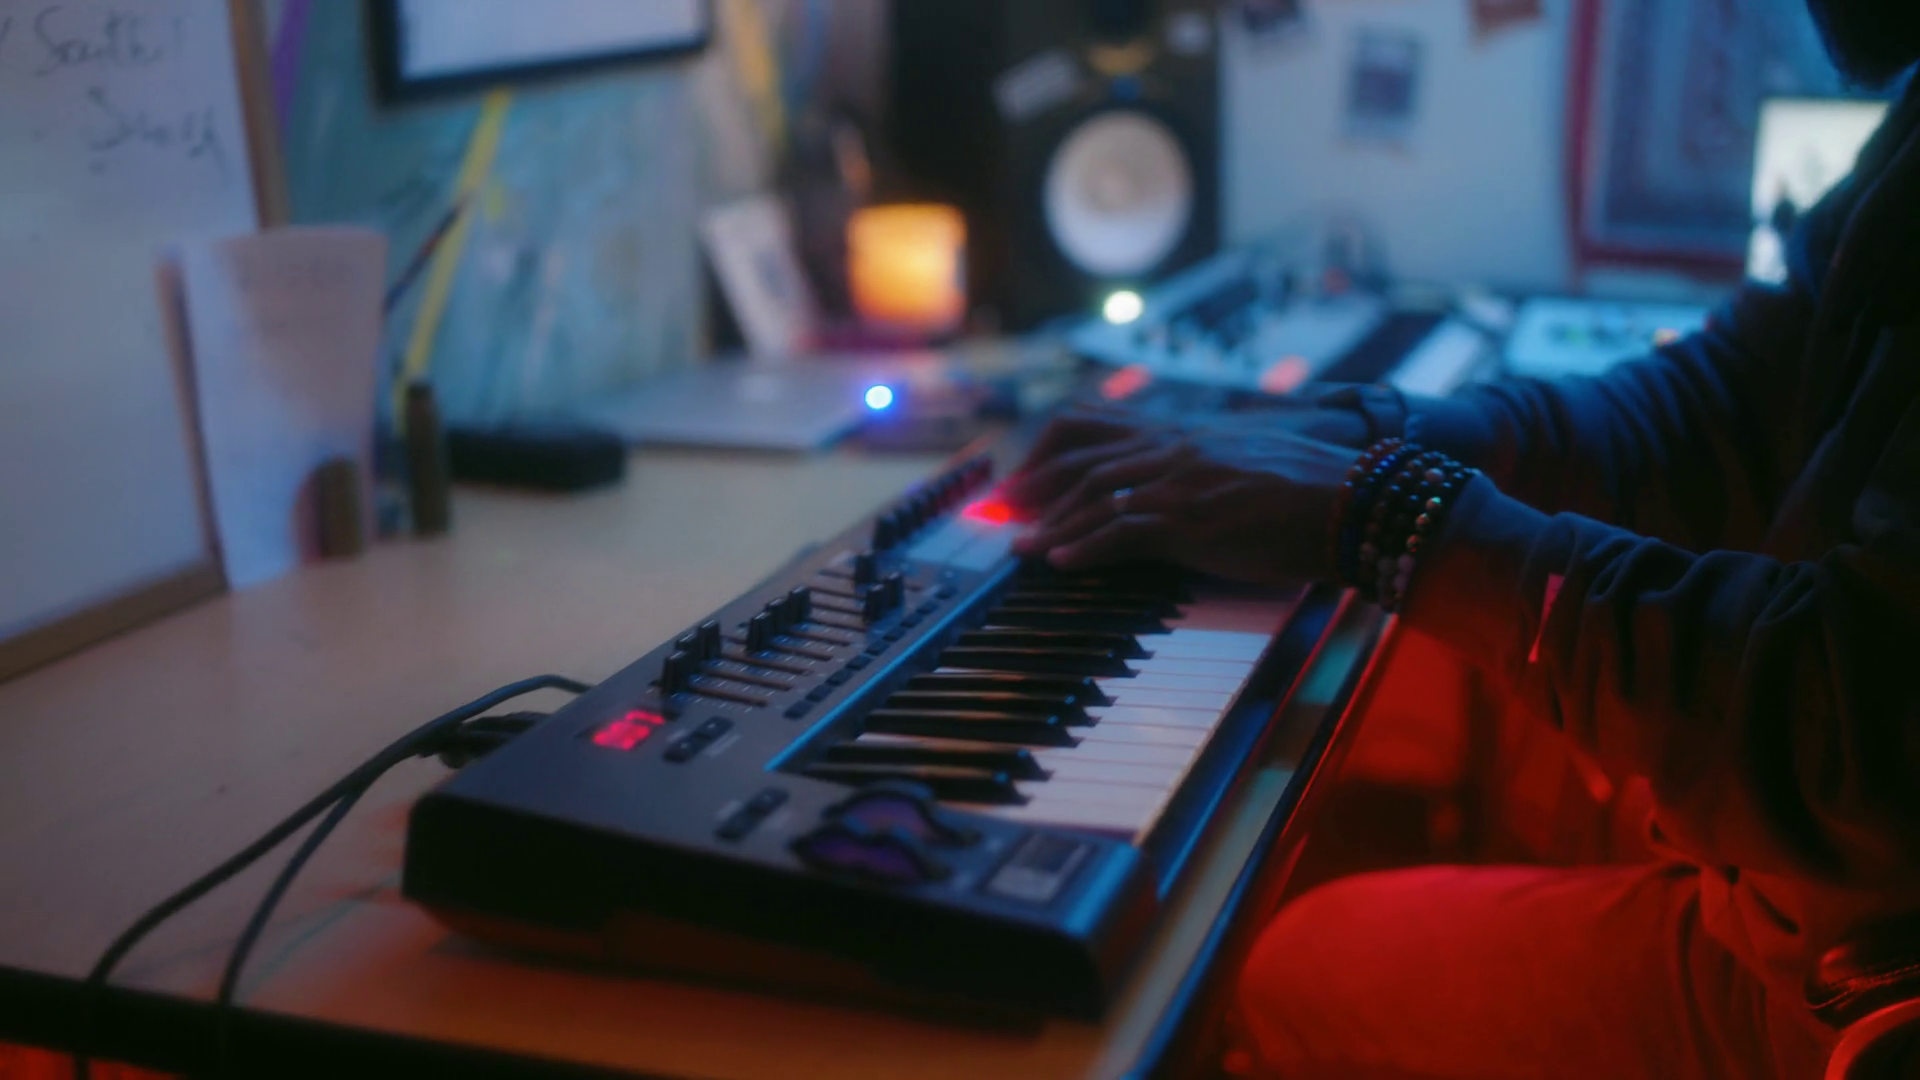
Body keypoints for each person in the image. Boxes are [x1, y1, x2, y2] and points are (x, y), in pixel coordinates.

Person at [1004, 3, 1920, 1076]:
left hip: (1863, 994)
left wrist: (1388, 515)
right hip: (1817, 892)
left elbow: (1854, 725)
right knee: (1458, 720)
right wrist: (1368, 431)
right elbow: (1722, 411)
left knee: (1294, 972)